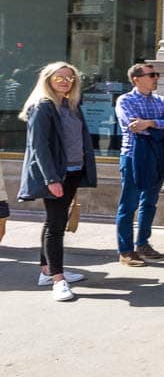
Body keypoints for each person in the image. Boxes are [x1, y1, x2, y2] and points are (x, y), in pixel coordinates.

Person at [16, 62, 98, 301]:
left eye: (70, 78)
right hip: (55, 174)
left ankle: (47, 271)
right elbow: (39, 147)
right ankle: (58, 280)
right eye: (59, 77)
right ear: (48, 79)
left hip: (72, 171)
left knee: (55, 221)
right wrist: (51, 178)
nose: (65, 81)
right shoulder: (42, 106)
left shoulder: (70, 105)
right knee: (56, 226)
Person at [115, 62, 164, 267]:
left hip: (157, 157)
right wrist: (157, 127)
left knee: (149, 202)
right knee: (129, 204)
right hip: (134, 156)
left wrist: (150, 123)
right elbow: (132, 125)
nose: (156, 78)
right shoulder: (125, 100)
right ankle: (125, 250)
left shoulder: (162, 100)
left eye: (156, 74)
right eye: (152, 75)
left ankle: (142, 243)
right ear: (137, 79)